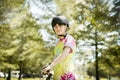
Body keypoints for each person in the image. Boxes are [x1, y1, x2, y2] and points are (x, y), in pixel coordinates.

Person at [42, 15, 76, 80]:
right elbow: (56, 58)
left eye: (60, 25)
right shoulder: (58, 43)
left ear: (66, 26)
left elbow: (64, 54)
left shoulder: (70, 39)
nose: (57, 28)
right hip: (57, 77)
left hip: (68, 76)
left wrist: (51, 66)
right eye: (55, 26)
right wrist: (49, 67)